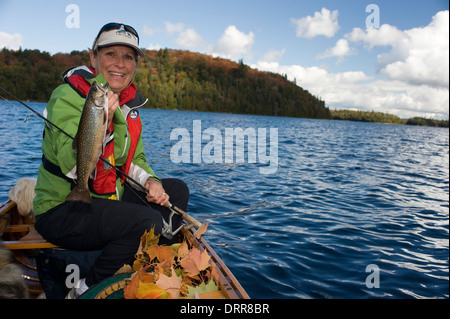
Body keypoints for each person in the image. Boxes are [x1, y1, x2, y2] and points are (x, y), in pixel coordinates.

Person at [33, 23, 189, 298]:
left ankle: (147, 256)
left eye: (128, 57)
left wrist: (152, 181)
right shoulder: (68, 96)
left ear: (135, 65)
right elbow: (71, 166)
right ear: (93, 58)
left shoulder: (128, 106)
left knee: (177, 190)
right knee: (146, 220)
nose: (120, 64)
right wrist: (101, 121)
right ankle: (85, 288)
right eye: (110, 54)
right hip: (62, 207)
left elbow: (133, 160)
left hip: (104, 197)